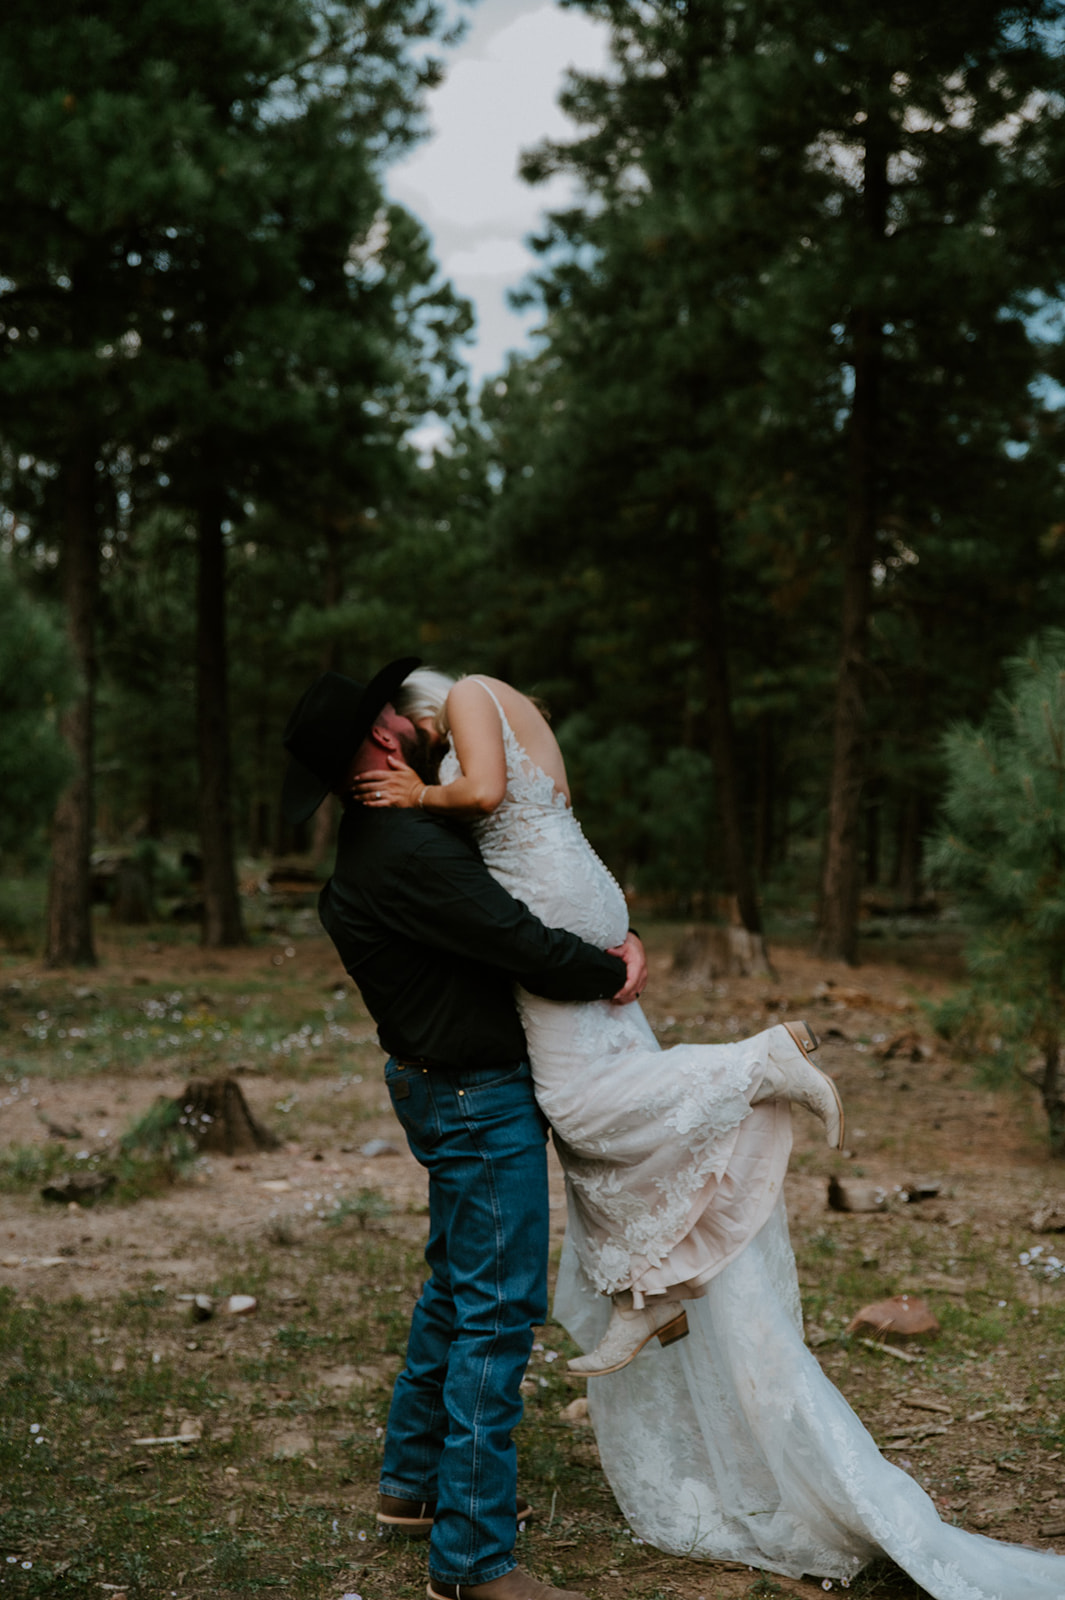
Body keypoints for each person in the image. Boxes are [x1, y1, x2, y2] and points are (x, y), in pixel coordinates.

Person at [352, 666, 1065, 1600]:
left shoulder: (471, 704)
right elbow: (526, 824)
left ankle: (749, 1070)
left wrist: (423, 792)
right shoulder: (494, 729)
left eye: (410, 732)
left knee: (576, 1111)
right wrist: (608, 937)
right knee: (597, 1126)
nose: (415, 747)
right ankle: (653, 1282)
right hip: (571, 897)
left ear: (412, 712)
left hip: (552, 913)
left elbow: (486, 803)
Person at [281, 659, 646, 1600]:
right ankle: (475, 1563)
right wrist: (614, 970)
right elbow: (513, 940)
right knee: (497, 1311)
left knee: (456, 1286)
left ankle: (414, 1487)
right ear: (378, 742)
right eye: (391, 718)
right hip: (474, 1096)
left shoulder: (389, 835)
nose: (411, 719)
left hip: (439, 1085)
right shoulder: (403, 848)